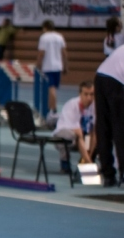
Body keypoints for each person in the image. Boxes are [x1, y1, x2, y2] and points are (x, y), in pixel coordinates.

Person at [93, 43, 124, 186]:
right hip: (116, 81)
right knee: (120, 127)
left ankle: (108, 175)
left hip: (100, 76)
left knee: (103, 127)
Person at [52, 81, 96, 173]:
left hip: (83, 135)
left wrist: (89, 156)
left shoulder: (95, 107)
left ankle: (84, 164)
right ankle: (65, 163)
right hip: (64, 133)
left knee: (98, 137)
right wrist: (89, 161)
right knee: (72, 135)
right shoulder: (72, 105)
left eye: (92, 94)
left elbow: (93, 131)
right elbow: (78, 133)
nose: (89, 98)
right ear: (80, 94)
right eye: (86, 94)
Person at [36, 19, 67, 117]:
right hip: (58, 66)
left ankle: (53, 110)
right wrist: (65, 65)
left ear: (45, 27)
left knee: (51, 88)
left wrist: (38, 65)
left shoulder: (44, 37)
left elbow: (41, 53)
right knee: (53, 88)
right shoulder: (60, 37)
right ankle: (52, 108)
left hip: (48, 66)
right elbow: (64, 53)